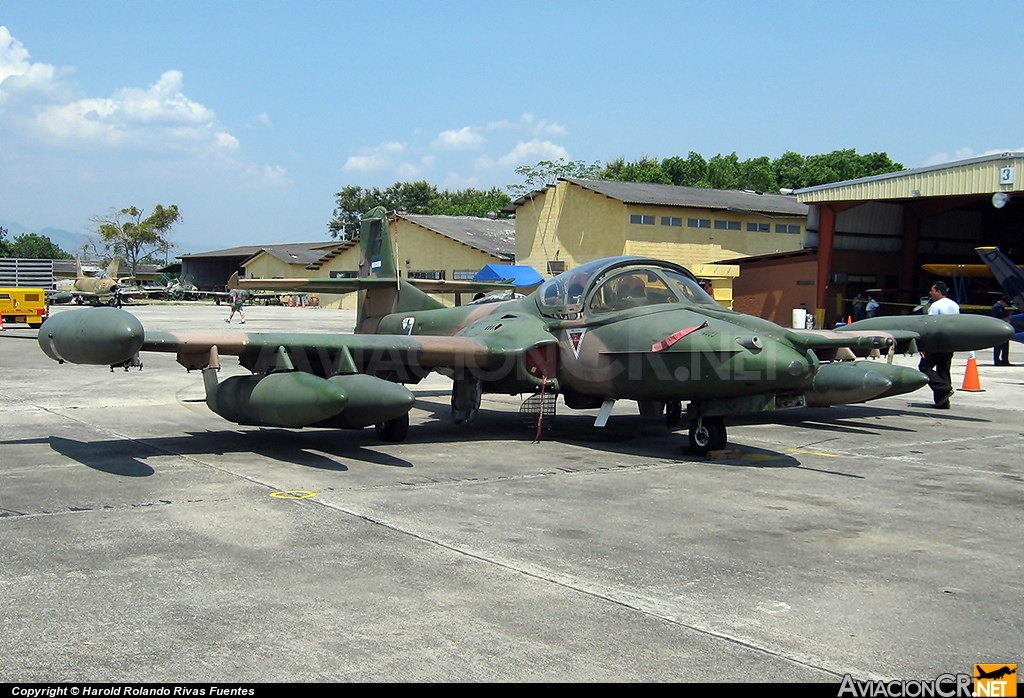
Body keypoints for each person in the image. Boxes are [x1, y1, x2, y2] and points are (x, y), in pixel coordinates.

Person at [918, 281, 959, 408]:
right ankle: (943, 402)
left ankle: (943, 388)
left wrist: (924, 344)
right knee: (944, 370)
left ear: (938, 292)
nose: (930, 293)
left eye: (932, 290)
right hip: (950, 342)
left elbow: (930, 326)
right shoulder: (954, 305)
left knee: (924, 367)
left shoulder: (936, 306)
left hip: (936, 342)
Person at [991, 295, 1012, 366]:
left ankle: (1005, 360)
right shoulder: (997, 307)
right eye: (1005, 303)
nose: (1006, 305)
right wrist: (1005, 319)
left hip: (1003, 328)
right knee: (998, 345)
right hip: (998, 329)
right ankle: (997, 360)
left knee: (1005, 346)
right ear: (1002, 301)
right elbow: (995, 319)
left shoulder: (1001, 307)